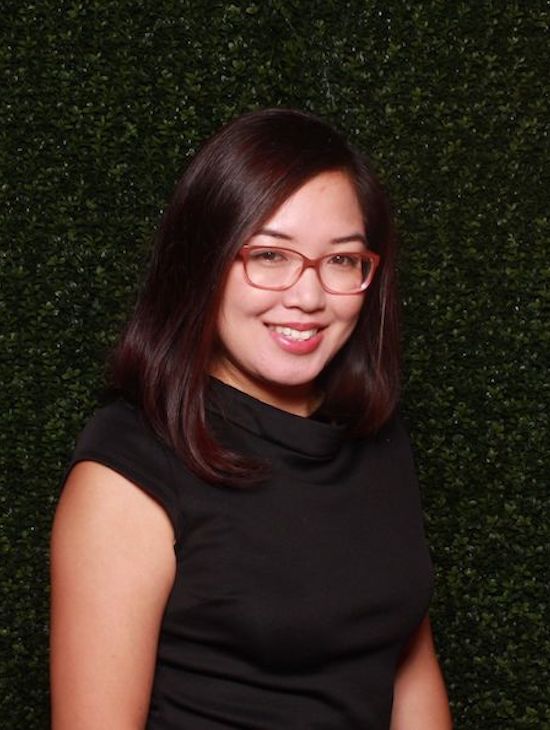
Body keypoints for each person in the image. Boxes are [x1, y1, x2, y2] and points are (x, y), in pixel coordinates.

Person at [50, 108, 452, 729]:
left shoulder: (375, 437)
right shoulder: (128, 468)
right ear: (204, 261)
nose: (308, 296)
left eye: (342, 260)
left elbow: (405, 664)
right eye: (269, 255)